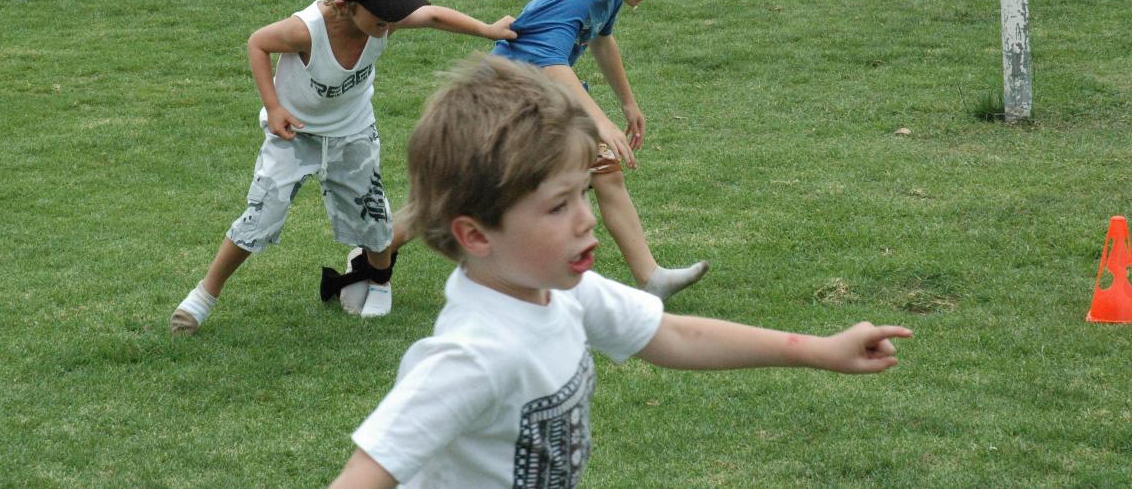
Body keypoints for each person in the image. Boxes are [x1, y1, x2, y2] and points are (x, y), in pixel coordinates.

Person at [329, 56, 912, 488]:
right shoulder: (470, 357)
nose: (588, 221)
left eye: (584, 194)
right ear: (476, 234)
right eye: (558, 207)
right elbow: (365, 475)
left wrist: (819, 350)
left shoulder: (564, 293)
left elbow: (670, 335)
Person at [170, 0, 516, 334]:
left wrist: (488, 30)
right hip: (295, 136)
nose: (391, 20)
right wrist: (275, 107)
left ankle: (381, 284)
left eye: (394, 10)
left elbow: (433, 16)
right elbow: (257, 43)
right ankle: (204, 295)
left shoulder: (384, 18)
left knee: (374, 215)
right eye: (382, 12)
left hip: (352, 133)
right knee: (261, 216)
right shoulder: (306, 30)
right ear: (343, 6)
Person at [490, 0, 707, 300]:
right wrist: (601, 121)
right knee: (474, 200)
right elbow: (553, 63)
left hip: (543, 100)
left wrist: (627, 102)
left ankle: (651, 278)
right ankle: (377, 252)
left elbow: (602, 40)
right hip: (506, 105)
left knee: (606, 173)